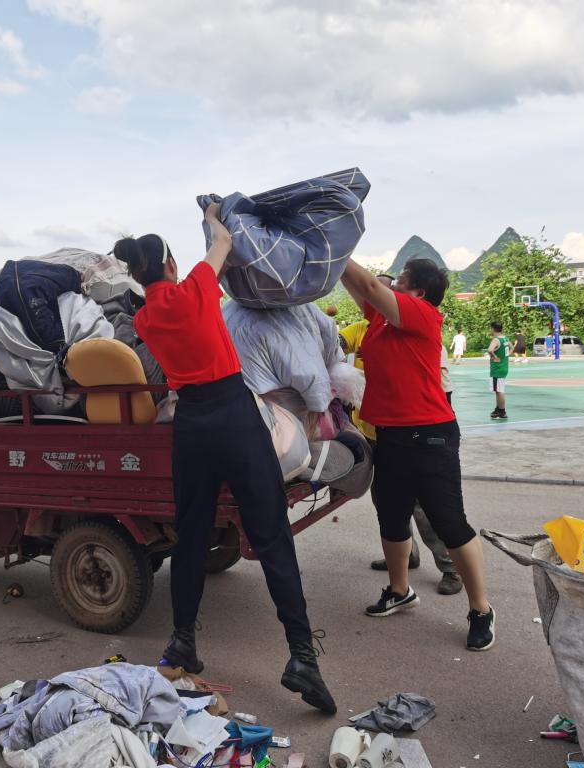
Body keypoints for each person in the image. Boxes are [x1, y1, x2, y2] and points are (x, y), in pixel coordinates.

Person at [116, 203, 336, 714]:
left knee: (191, 535)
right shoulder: (194, 286)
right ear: (169, 264)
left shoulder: (145, 319)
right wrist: (216, 213)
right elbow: (224, 244)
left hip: (191, 425)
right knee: (271, 535)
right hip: (235, 417)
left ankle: (182, 644)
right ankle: (302, 656)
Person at [341, 257, 495, 651]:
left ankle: (481, 609)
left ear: (418, 292)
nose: (391, 283)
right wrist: (327, 254)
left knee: (450, 523)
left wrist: (332, 246)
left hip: (430, 436)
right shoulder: (381, 322)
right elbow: (362, 290)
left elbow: (373, 289)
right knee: (391, 518)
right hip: (390, 435)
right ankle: (399, 590)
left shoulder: (422, 315)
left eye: (401, 279)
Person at [343, 311, 463, 596]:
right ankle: (406, 554)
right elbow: (334, 342)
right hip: (372, 433)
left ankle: (450, 567)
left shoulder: (416, 335)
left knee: (421, 504)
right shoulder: (361, 329)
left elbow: (441, 390)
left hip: (407, 435)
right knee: (386, 502)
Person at [489, 323, 510, 420]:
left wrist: (495, 357)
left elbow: (490, 350)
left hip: (497, 368)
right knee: (498, 390)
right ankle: (498, 408)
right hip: (504, 367)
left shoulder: (496, 340)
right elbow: (512, 347)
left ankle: (502, 411)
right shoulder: (505, 338)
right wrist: (505, 357)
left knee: (500, 390)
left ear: (493, 329)